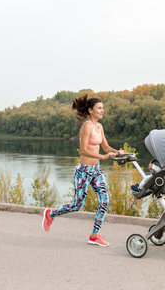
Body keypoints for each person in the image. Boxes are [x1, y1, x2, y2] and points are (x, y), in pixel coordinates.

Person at [42, 94, 123, 247]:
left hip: (96, 170)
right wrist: (103, 157)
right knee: (77, 205)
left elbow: (105, 147)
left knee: (104, 200)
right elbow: (83, 151)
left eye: (103, 108)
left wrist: (118, 151)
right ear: (91, 110)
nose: (102, 111)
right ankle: (50, 214)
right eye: (99, 108)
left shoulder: (99, 126)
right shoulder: (87, 126)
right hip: (84, 171)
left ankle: (94, 235)